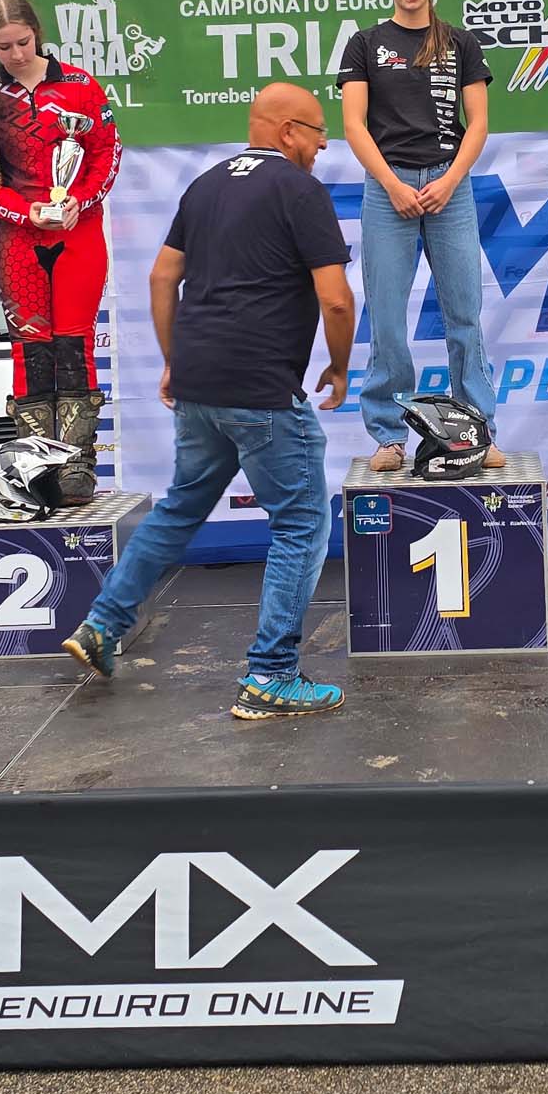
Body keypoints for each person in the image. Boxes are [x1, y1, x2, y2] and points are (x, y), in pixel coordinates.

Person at [63, 83, 356, 719]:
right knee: (302, 523)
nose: (322, 146)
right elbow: (335, 298)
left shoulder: (204, 185)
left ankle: (102, 625)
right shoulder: (300, 191)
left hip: (201, 382)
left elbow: (161, 276)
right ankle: (271, 675)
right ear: (288, 132)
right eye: (317, 133)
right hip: (261, 387)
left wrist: (175, 360)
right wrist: (338, 365)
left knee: (180, 509)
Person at [338, 0, 503, 471]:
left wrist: (450, 180)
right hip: (389, 190)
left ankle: (477, 432)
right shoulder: (365, 44)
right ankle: (389, 437)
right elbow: (354, 125)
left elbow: (478, 124)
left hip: (449, 188)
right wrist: (392, 184)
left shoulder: (460, 43)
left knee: (465, 316)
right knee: (387, 317)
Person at [0, 0, 121, 500]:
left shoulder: (80, 86)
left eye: (23, 42)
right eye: (4, 47)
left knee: (74, 343)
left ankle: (77, 465)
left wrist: (80, 200)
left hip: (78, 231)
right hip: (19, 238)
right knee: (30, 348)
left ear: (38, 34)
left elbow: (107, 153)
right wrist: (23, 210)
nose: (16, 54)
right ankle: (35, 467)